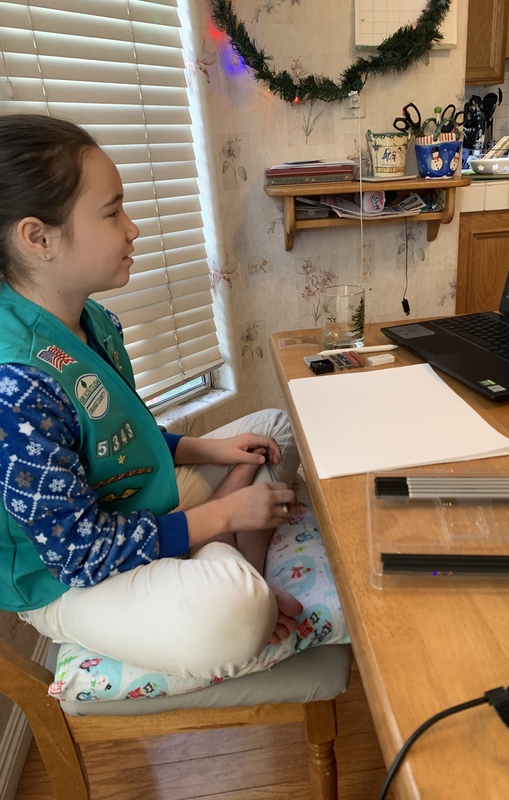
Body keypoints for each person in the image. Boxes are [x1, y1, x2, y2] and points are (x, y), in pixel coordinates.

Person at [0, 113, 345, 681]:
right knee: (233, 614)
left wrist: (216, 453)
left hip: (134, 503)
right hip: (69, 578)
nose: (132, 229)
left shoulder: (93, 320)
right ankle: (233, 562)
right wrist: (223, 513)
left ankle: (222, 547)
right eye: (112, 213)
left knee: (275, 428)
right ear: (39, 238)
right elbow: (80, 553)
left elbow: (119, 441)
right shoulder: (16, 380)